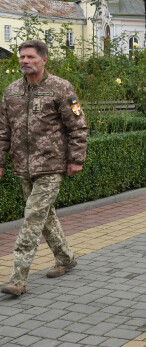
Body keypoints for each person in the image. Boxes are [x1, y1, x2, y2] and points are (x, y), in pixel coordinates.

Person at [0, 40, 88, 297]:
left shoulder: (62, 88)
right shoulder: (11, 91)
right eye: (21, 57)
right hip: (23, 166)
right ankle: (66, 258)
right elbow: (3, 130)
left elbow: (78, 126)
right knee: (44, 216)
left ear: (44, 60)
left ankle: (18, 278)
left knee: (32, 218)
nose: (24, 61)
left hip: (51, 165)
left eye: (30, 57)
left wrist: (76, 159)